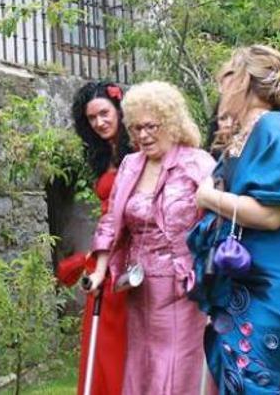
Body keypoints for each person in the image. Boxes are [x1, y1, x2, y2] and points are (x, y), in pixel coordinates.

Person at [188, 45, 280, 393]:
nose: (221, 88)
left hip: (274, 279)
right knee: (236, 376)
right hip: (242, 275)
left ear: (244, 81)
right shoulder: (243, 134)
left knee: (259, 380)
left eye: (226, 78)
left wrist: (208, 196)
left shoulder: (274, 129)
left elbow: (272, 215)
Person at [85, 81, 215, 394]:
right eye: (136, 127)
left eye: (151, 126)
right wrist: (101, 269)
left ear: (171, 123)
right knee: (142, 365)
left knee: (177, 365)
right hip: (139, 285)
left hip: (183, 287)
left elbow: (217, 225)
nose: (143, 135)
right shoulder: (131, 165)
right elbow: (111, 221)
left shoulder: (198, 163)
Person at [59, 81, 131, 395]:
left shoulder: (140, 151)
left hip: (130, 254)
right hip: (106, 253)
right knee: (101, 340)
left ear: (119, 110)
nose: (100, 122)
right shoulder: (104, 156)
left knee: (123, 340)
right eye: (92, 118)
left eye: (105, 113)